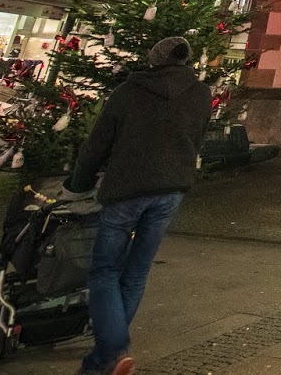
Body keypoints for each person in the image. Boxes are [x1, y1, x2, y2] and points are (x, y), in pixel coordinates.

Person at [61, 36, 212, 375]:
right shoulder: (201, 94)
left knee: (104, 270)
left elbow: (98, 143)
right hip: (171, 190)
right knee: (137, 270)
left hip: (126, 189)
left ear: (154, 59)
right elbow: (198, 135)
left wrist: (78, 183)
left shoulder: (129, 92)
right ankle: (110, 351)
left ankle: (110, 352)